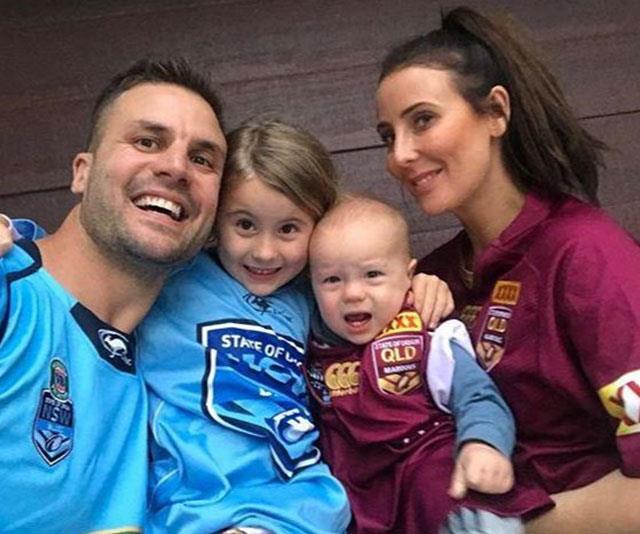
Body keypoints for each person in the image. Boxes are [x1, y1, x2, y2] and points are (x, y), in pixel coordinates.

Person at [375, 6, 640, 532]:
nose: (400, 155)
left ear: (496, 112)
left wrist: (511, 524)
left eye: (422, 119)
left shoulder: (585, 252)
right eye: (387, 135)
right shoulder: (433, 278)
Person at [0, 58, 226, 532]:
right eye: (147, 141)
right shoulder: (11, 293)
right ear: (82, 172)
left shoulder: (179, 369)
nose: (176, 168)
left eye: (203, 159)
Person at [306, 195, 552, 533]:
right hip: (358, 491)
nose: (352, 293)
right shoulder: (312, 344)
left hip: (428, 464)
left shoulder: (430, 334)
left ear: (409, 275)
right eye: (332, 280)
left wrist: (484, 444)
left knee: (462, 502)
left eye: (373, 275)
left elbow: (478, 397)